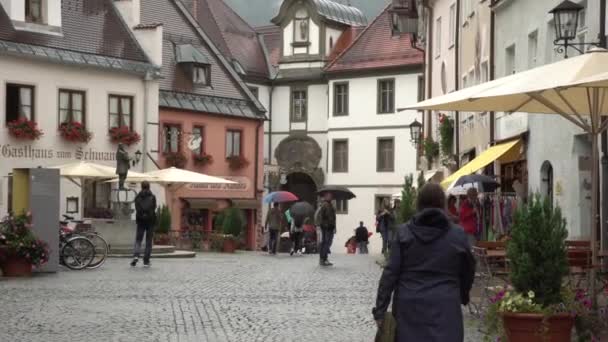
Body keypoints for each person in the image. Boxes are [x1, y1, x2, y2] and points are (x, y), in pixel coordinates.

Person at [372, 183, 476, 342]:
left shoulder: (403, 233)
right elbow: (468, 268)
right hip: (446, 306)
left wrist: (380, 311)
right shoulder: (458, 235)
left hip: (409, 308)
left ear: (418, 204)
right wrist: (462, 295)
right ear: (443, 204)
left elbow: (390, 273)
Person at [131, 181, 157, 267]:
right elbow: (154, 207)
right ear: (149, 187)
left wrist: (142, 213)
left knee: (138, 240)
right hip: (150, 220)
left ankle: (136, 256)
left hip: (140, 220)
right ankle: (146, 260)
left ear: (141, 187)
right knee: (148, 241)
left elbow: (137, 208)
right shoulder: (152, 197)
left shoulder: (138, 197)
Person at [318, 193, 336, 266]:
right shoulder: (325, 205)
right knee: (326, 243)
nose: (331, 197)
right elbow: (324, 216)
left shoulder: (329, 205)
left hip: (329, 226)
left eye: (331, 196)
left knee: (327, 242)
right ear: (326, 196)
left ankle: (324, 259)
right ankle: (323, 259)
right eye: (329, 196)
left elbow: (333, 217)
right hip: (327, 226)